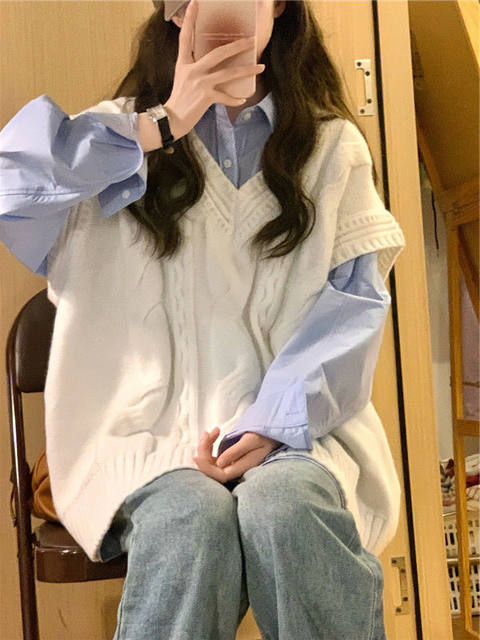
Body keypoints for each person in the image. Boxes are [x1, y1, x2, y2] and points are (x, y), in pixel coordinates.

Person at [0, 0, 406, 638]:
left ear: (278, 5)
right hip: (142, 440)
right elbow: (9, 186)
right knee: (190, 520)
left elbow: (352, 306)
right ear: (173, 10)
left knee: (286, 507)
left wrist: (274, 423)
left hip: (297, 435)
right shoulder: (113, 136)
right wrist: (162, 124)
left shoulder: (331, 148)